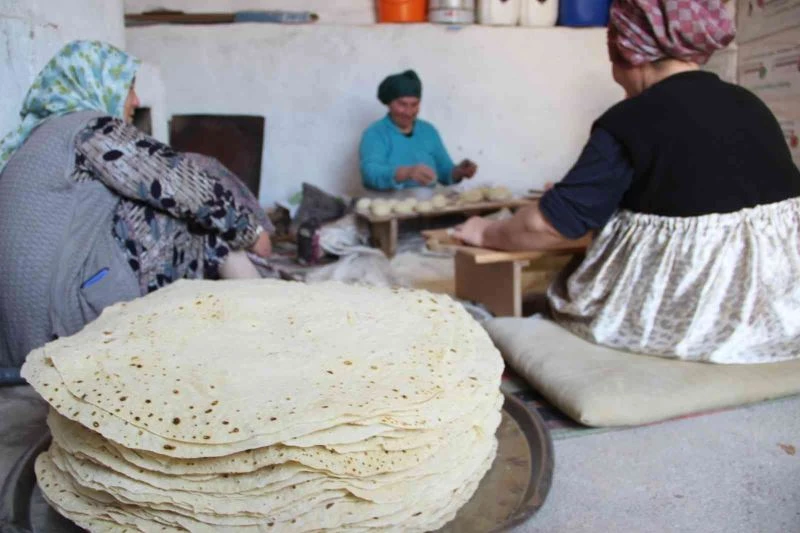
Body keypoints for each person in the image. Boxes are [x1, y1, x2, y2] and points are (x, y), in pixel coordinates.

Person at [453, 0, 800, 364]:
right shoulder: (749, 103)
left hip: (703, 317)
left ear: (621, 49)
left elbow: (548, 227)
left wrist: (486, 232)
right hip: (783, 309)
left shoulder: (629, 120)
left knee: (557, 300)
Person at [0, 40, 272, 371]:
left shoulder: (38, 137)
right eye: (129, 87)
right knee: (198, 215)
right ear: (97, 82)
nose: (136, 101)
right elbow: (173, 178)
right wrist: (248, 230)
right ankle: (272, 330)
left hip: (18, 341)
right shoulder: (88, 127)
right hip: (63, 326)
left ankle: (257, 310)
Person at [359, 69, 478, 191]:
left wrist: (458, 171)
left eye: (414, 104)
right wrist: (405, 173)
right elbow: (370, 174)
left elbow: (444, 171)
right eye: (402, 104)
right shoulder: (375, 133)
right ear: (389, 104)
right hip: (389, 202)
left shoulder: (428, 131)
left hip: (427, 202)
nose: (408, 112)